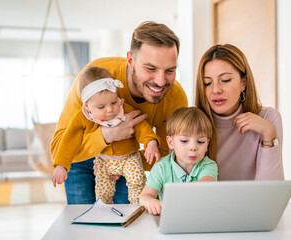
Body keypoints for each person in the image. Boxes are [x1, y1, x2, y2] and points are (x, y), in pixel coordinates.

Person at [50, 21, 188, 204]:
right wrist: (108, 136)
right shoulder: (93, 80)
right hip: (82, 156)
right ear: (130, 59)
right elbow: (59, 149)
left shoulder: (175, 98)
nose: (161, 81)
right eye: (151, 69)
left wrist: (122, 161)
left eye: (170, 70)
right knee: (84, 223)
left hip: (129, 157)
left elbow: (166, 156)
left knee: (126, 221)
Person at [52, 67, 161, 204]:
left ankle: (137, 204)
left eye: (114, 102)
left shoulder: (124, 109)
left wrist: (150, 142)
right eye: (101, 107)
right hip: (104, 160)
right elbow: (69, 141)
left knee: (137, 180)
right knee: (103, 191)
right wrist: (61, 165)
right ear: (87, 107)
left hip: (129, 157)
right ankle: (103, 208)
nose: (110, 110)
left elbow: (141, 127)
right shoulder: (81, 118)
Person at [195, 44, 284, 180]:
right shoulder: (191, 124)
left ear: (243, 83)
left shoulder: (268, 118)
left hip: (251, 202)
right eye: (207, 83)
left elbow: (271, 192)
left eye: (225, 80)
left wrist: (269, 134)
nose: (216, 90)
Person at [139, 107, 218, 215]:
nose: (193, 147)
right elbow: (144, 197)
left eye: (200, 141)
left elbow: (207, 182)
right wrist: (152, 202)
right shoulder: (162, 167)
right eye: (185, 141)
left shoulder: (208, 165)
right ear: (171, 142)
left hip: (200, 216)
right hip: (171, 217)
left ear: (207, 145)